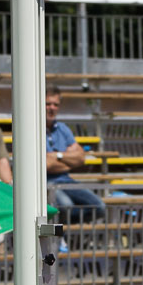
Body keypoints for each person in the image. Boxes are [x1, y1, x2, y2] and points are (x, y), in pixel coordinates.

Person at [45, 83, 106, 222]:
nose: (52, 108)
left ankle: (64, 236)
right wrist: (68, 160)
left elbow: (81, 158)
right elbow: (46, 165)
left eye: (56, 104)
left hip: (65, 180)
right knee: (66, 206)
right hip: (45, 183)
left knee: (100, 207)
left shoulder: (63, 128)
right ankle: (59, 237)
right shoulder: (33, 128)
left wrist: (57, 156)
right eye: (47, 104)